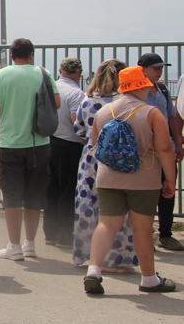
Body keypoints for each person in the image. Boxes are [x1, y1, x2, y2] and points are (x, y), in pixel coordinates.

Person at [83, 66, 177, 294]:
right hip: (144, 180)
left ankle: (93, 271)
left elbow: (96, 145)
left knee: (107, 224)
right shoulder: (152, 113)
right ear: (143, 86)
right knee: (142, 229)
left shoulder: (105, 112)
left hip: (109, 177)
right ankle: (149, 279)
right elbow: (165, 149)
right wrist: (170, 181)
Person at [0, 38, 60, 261]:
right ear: (31, 54)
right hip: (39, 144)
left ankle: (14, 246)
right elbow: (56, 102)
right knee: (34, 196)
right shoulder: (43, 73)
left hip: (10, 143)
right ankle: (30, 244)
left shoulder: (2, 75)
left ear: (12, 56)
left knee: (12, 196)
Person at [72, 59, 137, 272]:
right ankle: (117, 258)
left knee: (89, 207)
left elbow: (79, 130)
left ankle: (90, 255)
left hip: (91, 159)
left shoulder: (87, 102)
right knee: (118, 209)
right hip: (118, 161)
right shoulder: (125, 103)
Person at [137, 53, 184, 252]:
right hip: (145, 151)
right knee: (145, 193)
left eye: (161, 68)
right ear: (143, 68)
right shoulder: (136, 92)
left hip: (166, 150)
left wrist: (179, 142)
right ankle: (144, 235)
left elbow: (172, 116)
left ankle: (165, 234)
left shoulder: (162, 90)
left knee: (168, 191)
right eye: (156, 68)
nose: (160, 71)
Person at [44, 58, 85, 248]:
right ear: (79, 73)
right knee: (68, 191)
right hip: (70, 145)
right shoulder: (77, 94)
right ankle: (64, 234)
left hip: (48, 141)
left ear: (60, 70)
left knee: (51, 189)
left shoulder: (51, 89)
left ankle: (49, 233)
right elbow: (78, 123)